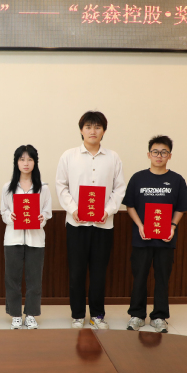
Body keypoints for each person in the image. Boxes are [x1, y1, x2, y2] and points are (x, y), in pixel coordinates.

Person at [55, 111, 126, 330]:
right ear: (81, 130)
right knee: (76, 272)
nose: (92, 131)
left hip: (104, 224)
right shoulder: (69, 156)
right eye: (88, 127)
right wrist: (73, 209)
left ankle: (97, 315)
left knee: (98, 272)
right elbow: (61, 185)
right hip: (76, 224)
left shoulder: (113, 157)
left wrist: (108, 210)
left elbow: (119, 188)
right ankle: (77, 315)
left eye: (97, 127)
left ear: (103, 131)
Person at [122, 135, 187, 333]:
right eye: (155, 152)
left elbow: (181, 208)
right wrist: (140, 225)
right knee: (139, 277)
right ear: (148, 154)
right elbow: (130, 205)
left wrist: (173, 226)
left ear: (170, 156)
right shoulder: (138, 178)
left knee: (162, 278)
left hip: (165, 238)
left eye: (164, 152)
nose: (159, 155)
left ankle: (159, 316)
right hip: (142, 237)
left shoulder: (177, 180)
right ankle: (137, 315)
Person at [0, 145, 52, 329]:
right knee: (12, 278)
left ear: (35, 162)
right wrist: (10, 216)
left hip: (35, 239)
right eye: (22, 159)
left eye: (30, 159)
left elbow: (47, 212)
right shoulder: (8, 187)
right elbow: (4, 212)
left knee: (34, 279)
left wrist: (42, 217)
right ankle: (15, 314)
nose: (26, 163)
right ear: (16, 162)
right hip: (12, 239)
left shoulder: (43, 188)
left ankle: (30, 314)